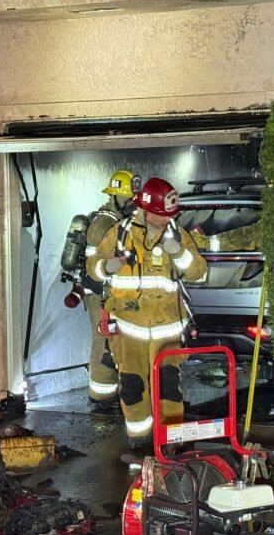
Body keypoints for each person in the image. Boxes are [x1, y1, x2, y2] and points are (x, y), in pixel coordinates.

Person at [87, 177, 207, 447]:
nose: (166, 220)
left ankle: (171, 438)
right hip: (129, 329)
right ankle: (139, 438)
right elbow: (91, 266)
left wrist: (178, 253)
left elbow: (199, 273)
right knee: (131, 385)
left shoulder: (177, 235)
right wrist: (106, 267)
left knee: (168, 386)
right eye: (161, 215)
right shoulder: (119, 233)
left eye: (169, 215)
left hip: (168, 330)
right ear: (145, 209)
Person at [82, 169, 138, 407]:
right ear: (115, 196)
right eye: (128, 198)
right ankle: (101, 395)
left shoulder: (117, 221)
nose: (132, 203)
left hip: (110, 291)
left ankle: (111, 390)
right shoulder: (104, 223)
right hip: (100, 292)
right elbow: (96, 265)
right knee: (102, 339)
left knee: (112, 339)